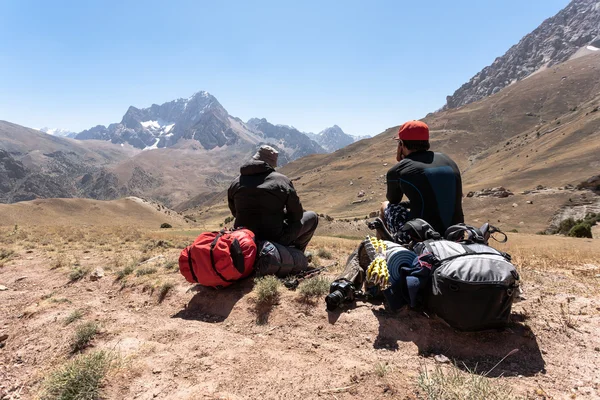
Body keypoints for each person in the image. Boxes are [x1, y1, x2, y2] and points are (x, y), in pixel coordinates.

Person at [382, 120, 464, 240]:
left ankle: (384, 253)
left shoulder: (398, 170)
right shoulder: (448, 160)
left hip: (420, 236)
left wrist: (401, 162)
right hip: (456, 233)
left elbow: (393, 200)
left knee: (385, 205)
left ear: (401, 144)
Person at [228, 145, 318, 252]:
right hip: (275, 240)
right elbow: (296, 215)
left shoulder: (236, 182)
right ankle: (296, 254)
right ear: (272, 164)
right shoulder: (282, 181)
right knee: (312, 217)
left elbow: (235, 212)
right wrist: (281, 214)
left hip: (242, 238)